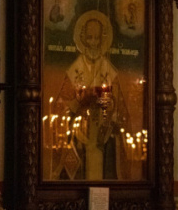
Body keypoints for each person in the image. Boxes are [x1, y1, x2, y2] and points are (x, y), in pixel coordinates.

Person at [55, 10, 132, 181]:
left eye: (97, 38)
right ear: (82, 39)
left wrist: (110, 106)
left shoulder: (108, 69)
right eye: (89, 38)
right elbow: (61, 107)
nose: (93, 43)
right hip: (80, 133)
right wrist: (79, 100)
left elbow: (119, 106)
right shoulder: (75, 69)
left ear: (103, 40)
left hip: (103, 134)